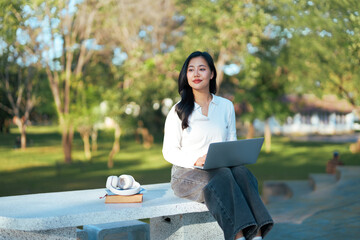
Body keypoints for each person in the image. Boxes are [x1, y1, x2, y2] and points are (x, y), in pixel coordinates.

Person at [162, 51, 274, 240]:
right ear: (186, 75)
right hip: (186, 175)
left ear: (212, 74)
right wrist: (195, 160)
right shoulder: (178, 110)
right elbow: (169, 151)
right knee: (223, 176)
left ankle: (257, 235)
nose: (196, 74)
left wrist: (233, 157)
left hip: (220, 170)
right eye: (191, 70)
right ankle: (239, 236)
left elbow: (231, 142)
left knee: (242, 173)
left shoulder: (225, 106)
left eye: (202, 69)